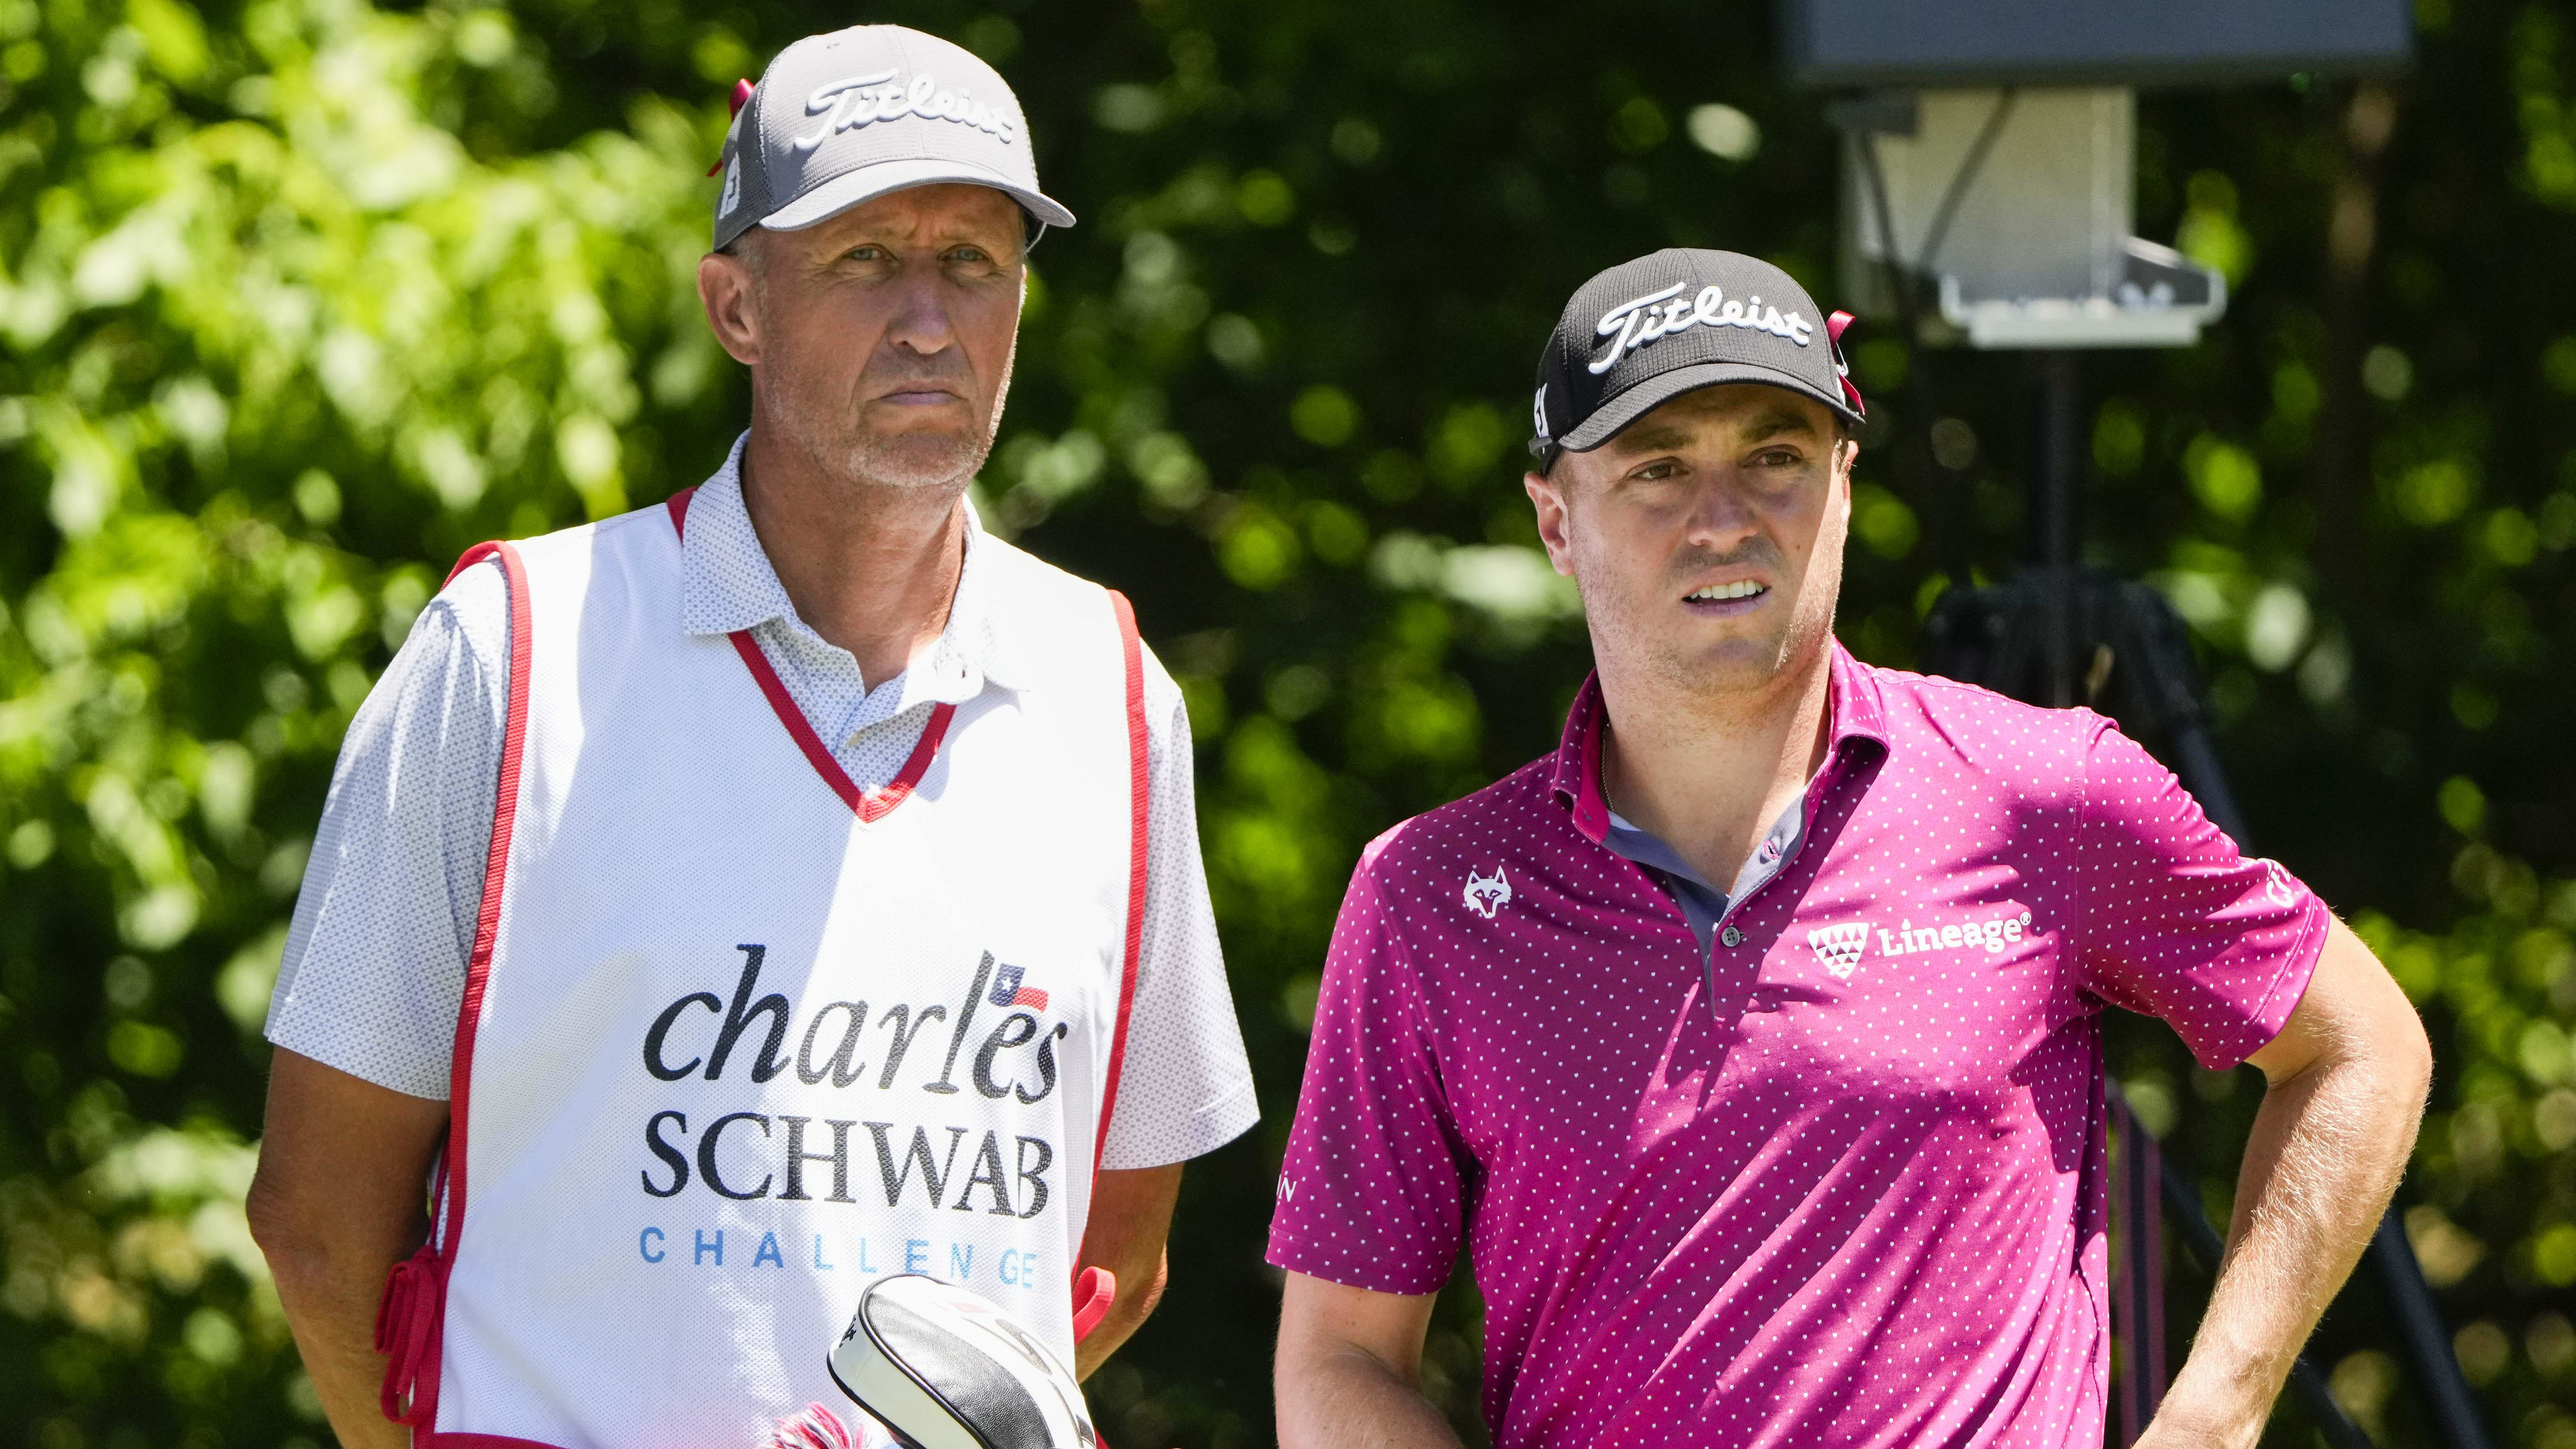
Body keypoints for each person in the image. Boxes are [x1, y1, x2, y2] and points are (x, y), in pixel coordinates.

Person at [246, 25, 1256, 1449]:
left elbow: (1112, 1259)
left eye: (973, 261)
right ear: (736, 306)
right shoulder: (515, 647)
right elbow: (315, 1222)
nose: (928, 319)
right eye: (862, 260)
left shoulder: (1113, 691)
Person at [1266, 248, 2432, 1449]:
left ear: (1845, 484)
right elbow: (1340, 1357)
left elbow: (2358, 1042)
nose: (1722, 520)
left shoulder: (2040, 795)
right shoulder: (1432, 893)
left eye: (1773, 457)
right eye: (1657, 469)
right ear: (1556, 520)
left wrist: (2211, 1415)